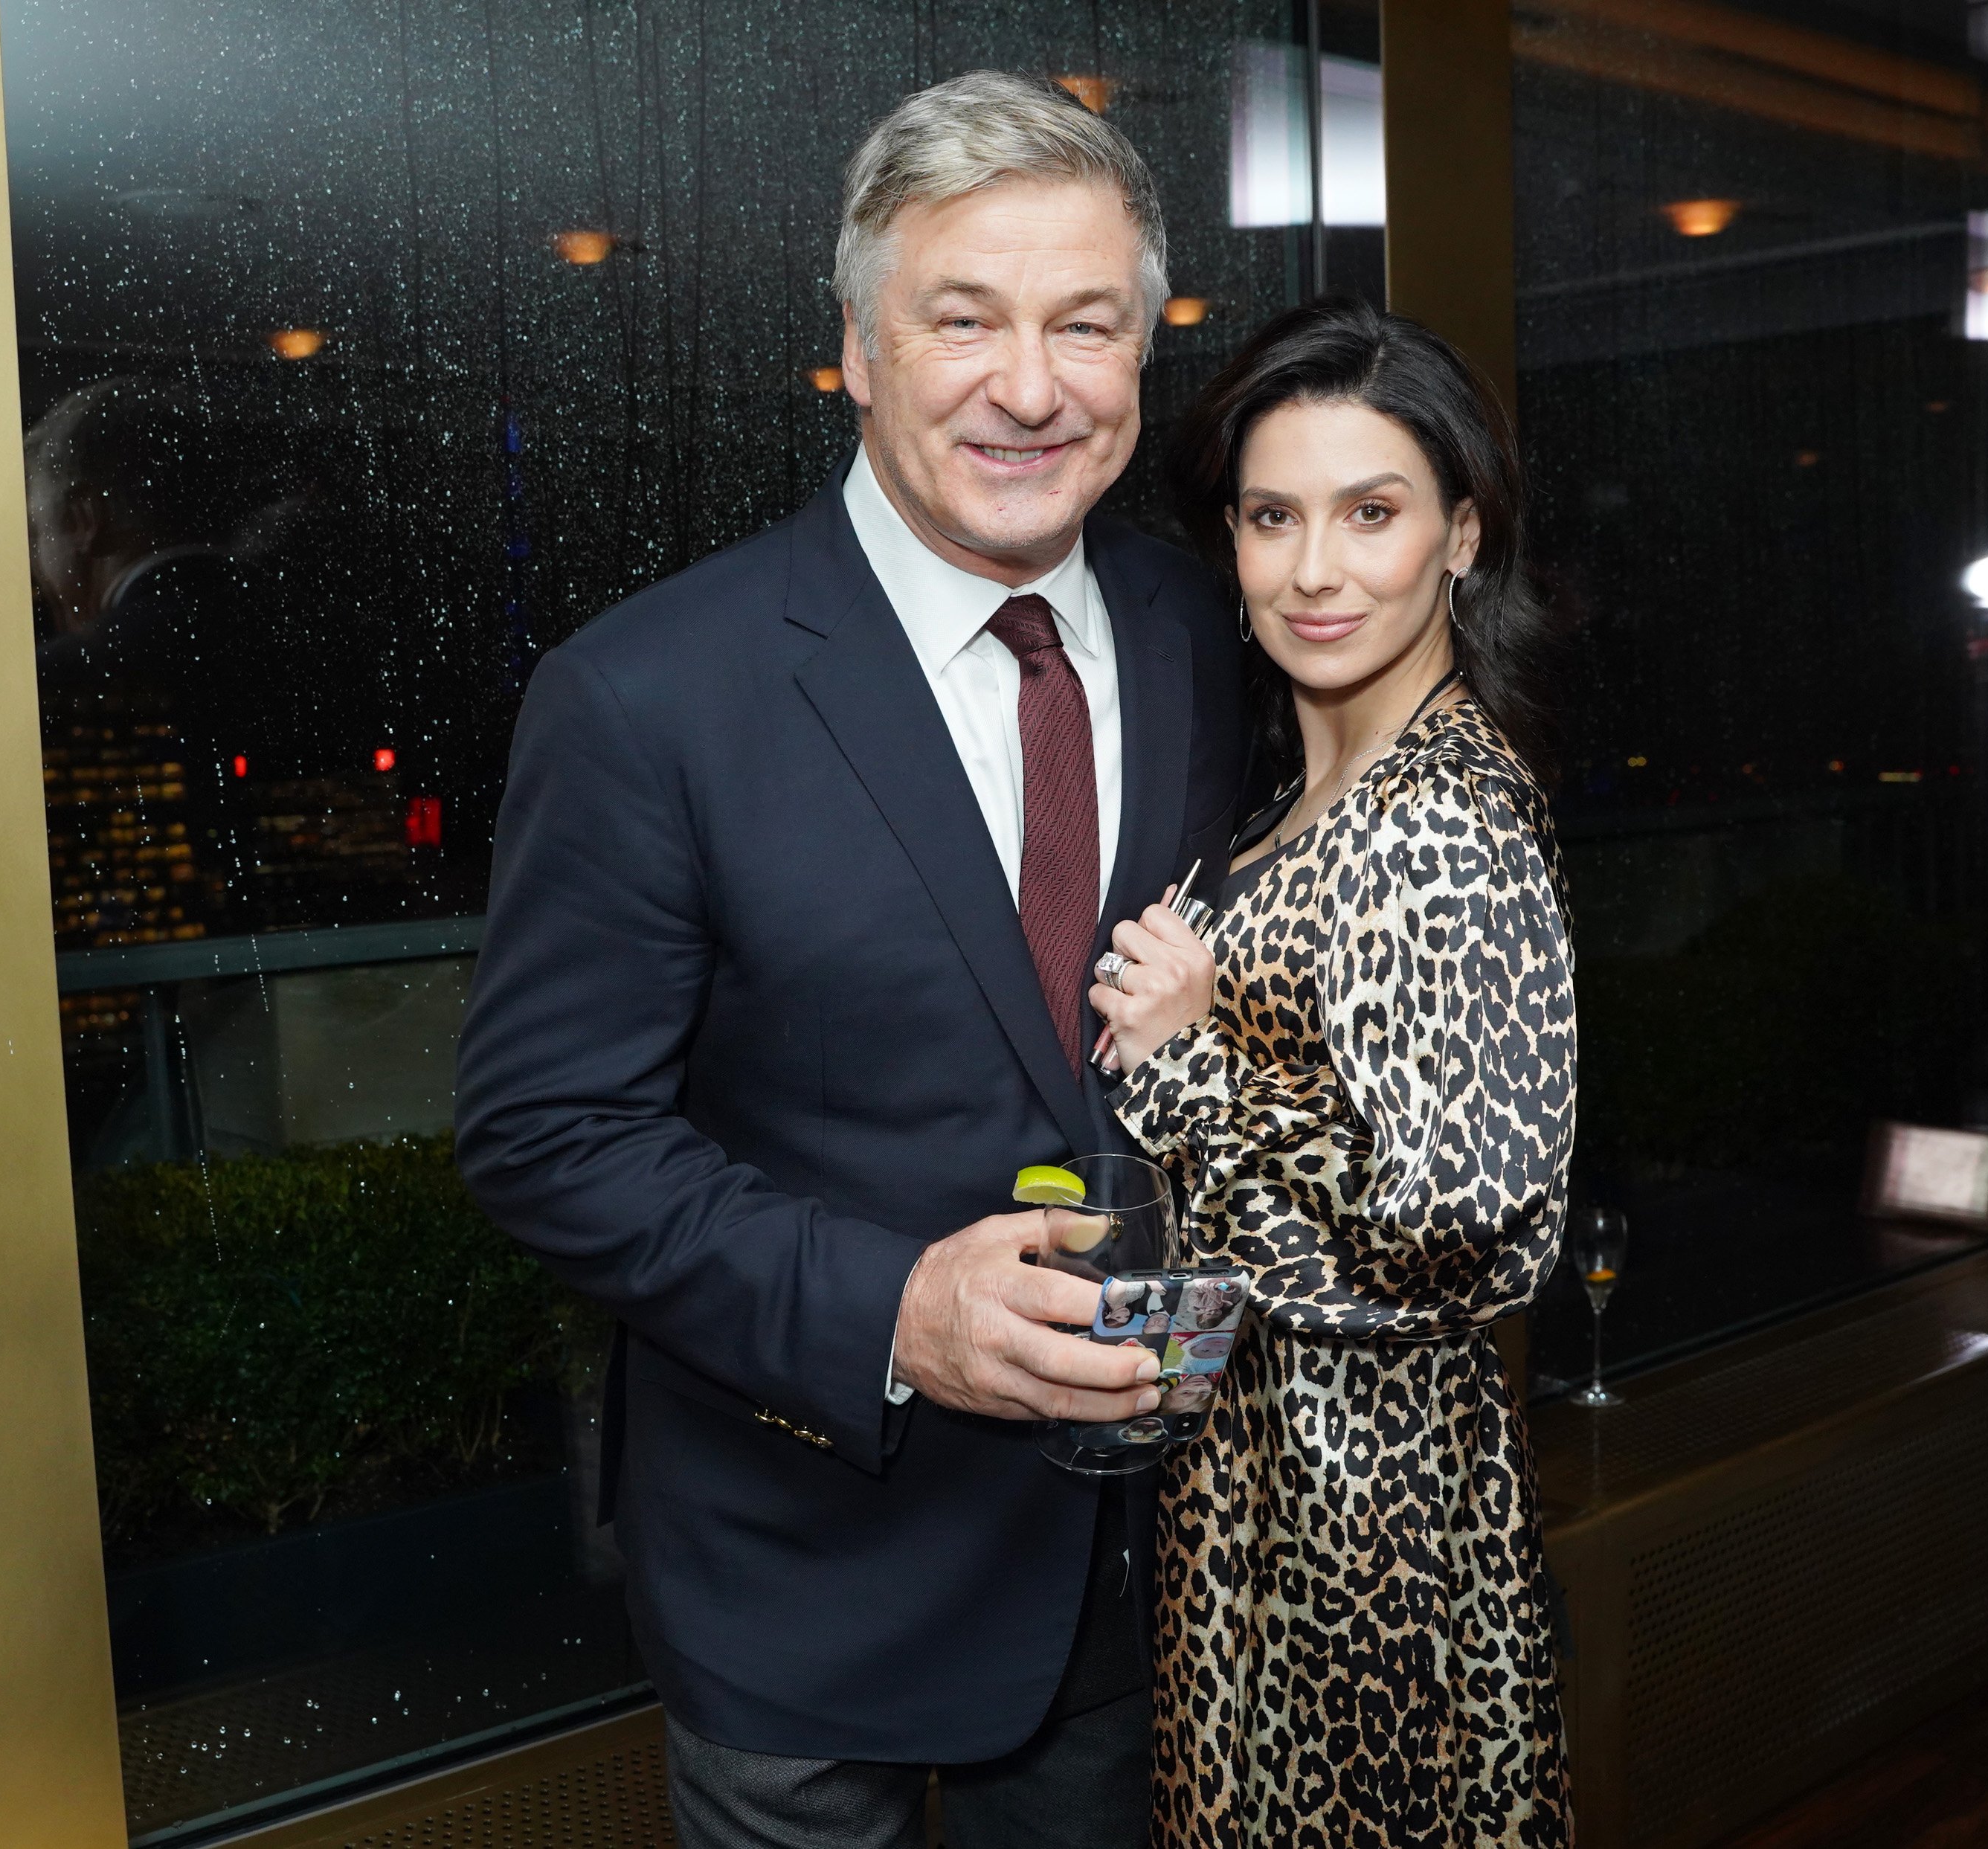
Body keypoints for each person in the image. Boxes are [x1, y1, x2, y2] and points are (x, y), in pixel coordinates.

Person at [453, 71, 1245, 1849]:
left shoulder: (1206, 628)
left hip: (1128, 1578)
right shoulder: (646, 692)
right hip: (803, 1575)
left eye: (1085, 325)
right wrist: (888, 1312)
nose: (1030, 387)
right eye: (962, 318)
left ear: (1143, 351)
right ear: (860, 347)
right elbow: (548, 1134)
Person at [1088, 299, 1577, 1848]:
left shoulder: (1440, 821)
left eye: (1372, 513)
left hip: (1369, 1529)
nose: (1315, 570)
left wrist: (1182, 1069)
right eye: (1271, 516)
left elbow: (1455, 1227)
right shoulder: (1301, 800)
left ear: (1459, 534)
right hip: (1256, 1489)